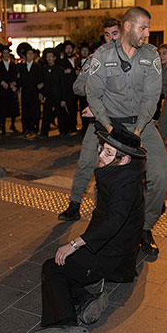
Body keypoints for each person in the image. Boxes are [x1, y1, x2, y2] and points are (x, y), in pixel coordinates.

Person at [31, 126, 147, 333]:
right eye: (102, 149)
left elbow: (113, 222)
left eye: (108, 153)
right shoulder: (124, 174)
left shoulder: (126, 186)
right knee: (64, 266)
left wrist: (75, 244)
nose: (101, 156)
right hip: (110, 248)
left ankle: (65, 325)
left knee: (53, 267)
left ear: (123, 160)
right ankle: (87, 301)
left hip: (112, 256)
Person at [82, 7, 167, 259]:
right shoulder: (103, 55)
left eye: (148, 28)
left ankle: (145, 228)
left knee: (159, 179)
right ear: (128, 27)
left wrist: (138, 130)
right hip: (112, 126)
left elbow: (152, 96)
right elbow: (93, 95)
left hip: (144, 126)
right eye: (144, 28)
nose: (147, 33)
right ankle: (106, 232)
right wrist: (109, 129)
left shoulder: (150, 55)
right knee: (107, 184)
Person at [59, 17, 122, 223]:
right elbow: (77, 86)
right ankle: (74, 205)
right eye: (107, 34)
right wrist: (91, 90)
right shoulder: (95, 59)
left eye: (115, 33)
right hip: (96, 124)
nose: (111, 38)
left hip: (122, 122)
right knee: (86, 162)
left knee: (122, 167)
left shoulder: (132, 58)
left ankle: (119, 210)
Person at [16, 43, 44, 136]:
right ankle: (26, 128)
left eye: (32, 54)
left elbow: (40, 79)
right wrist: (16, 86)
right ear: (25, 55)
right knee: (25, 110)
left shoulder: (37, 66)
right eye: (28, 54)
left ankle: (34, 128)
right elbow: (19, 79)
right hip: (25, 91)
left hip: (34, 91)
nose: (30, 56)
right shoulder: (21, 67)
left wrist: (41, 92)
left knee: (35, 110)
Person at [40, 48, 67, 137]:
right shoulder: (43, 69)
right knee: (46, 114)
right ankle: (44, 132)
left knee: (60, 114)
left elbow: (63, 84)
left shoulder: (59, 69)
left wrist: (63, 99)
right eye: (47, 56)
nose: (49, 58)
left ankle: (63, 131)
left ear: (55, 58)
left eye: (51, 56)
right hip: (48, 96)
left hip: (58, 95)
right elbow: (43, 83)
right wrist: (42, 93)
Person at [0, 45, 20, 133]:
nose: (6, 55)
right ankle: (3, 127)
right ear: (2, 54)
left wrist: (15, 83)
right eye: (4, 53)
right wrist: (2, 82)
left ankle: (13, 125)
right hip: (3, 89)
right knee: (3, 108)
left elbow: (17, 76)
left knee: (13, 108)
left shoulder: (13, 65)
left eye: (7, 53)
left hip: (11, 89)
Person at [58, 40, 79, 133]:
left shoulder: (77, 60)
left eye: (70, 48)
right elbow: (60, 73)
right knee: (68, 108)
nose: (69, 50)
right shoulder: (61, 62)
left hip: (77, 88)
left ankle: (73, 125)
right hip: (67, 89)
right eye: (67, 49)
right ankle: (69, 127)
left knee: (75, 108)